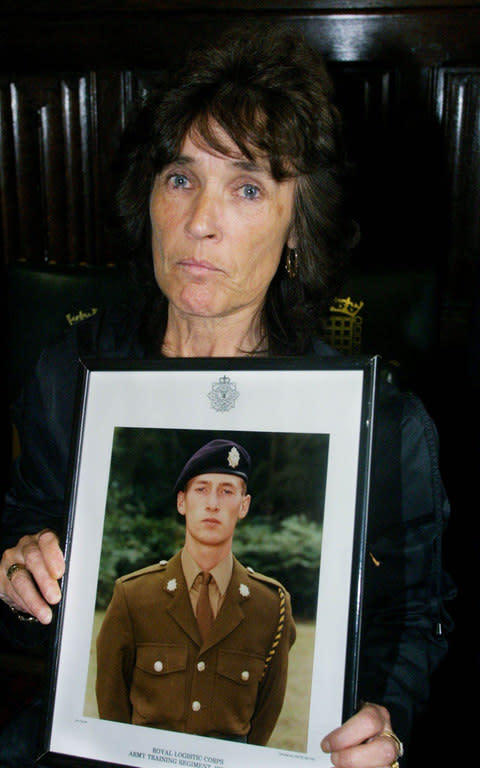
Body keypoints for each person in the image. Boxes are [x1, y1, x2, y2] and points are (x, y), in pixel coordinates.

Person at [0, 23, 453, 768]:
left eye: (246, 187)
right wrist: (18, 582)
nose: (199, 222)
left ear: (299, 228)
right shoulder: (68, 376)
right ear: (147, 197)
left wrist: (387, 719)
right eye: (180, 178)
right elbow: (26, 571)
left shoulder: (384, 427)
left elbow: (415, 618)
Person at [96, 438, 296, 744]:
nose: (213, 503)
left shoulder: (270, 606)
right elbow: (112, 708)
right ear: (181, 502)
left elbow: (265, 715)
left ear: (244, 506)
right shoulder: (134, 596)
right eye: (201, 489)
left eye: (227, 491)